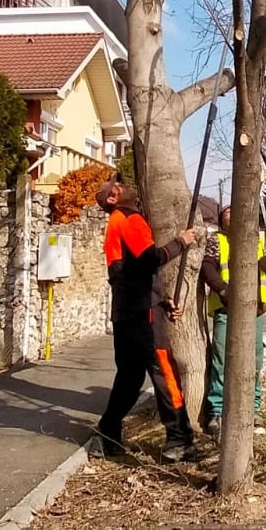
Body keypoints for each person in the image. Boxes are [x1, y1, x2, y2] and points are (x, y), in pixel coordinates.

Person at [93, 179, 199, 462]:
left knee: (129, 377)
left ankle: (107, 433)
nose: (124, 185)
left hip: (126, 311)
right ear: (113, 199)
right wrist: (180, 242)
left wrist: (162, 300)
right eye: (117, 186)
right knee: (164, 370)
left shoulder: (115, 222)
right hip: (142, 313)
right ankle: (180, 439)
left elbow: (132, 272)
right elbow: (148, 259)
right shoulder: (130, 218)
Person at [199, 205, 266, 434]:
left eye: (235, 213)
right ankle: (216, 410)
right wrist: (223, 290)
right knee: (221, 361)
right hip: (227, 309)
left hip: (254, 310)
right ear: (222, 222)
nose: (232, 218)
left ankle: (253, 409)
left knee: (254, 362)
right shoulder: (217, 241)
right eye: (227, 215)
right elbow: (207, 268)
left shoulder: (257, 240)